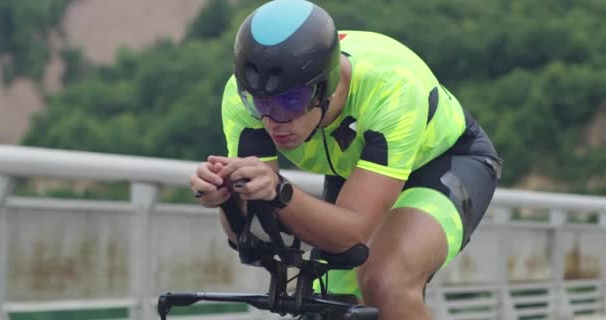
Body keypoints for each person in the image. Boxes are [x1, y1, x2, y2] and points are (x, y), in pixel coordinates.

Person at [190, 0, 503, 319]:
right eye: (258, 103)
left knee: (385, 282)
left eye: (288, 103)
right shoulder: (243, 100)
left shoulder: (391, 89)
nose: (271, 120)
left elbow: (351, 233)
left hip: (446, 163)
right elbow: (262, 231)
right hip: (355, 171)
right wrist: (227, 198)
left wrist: (279, 189)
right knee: (331, 303)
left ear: (325, 86)